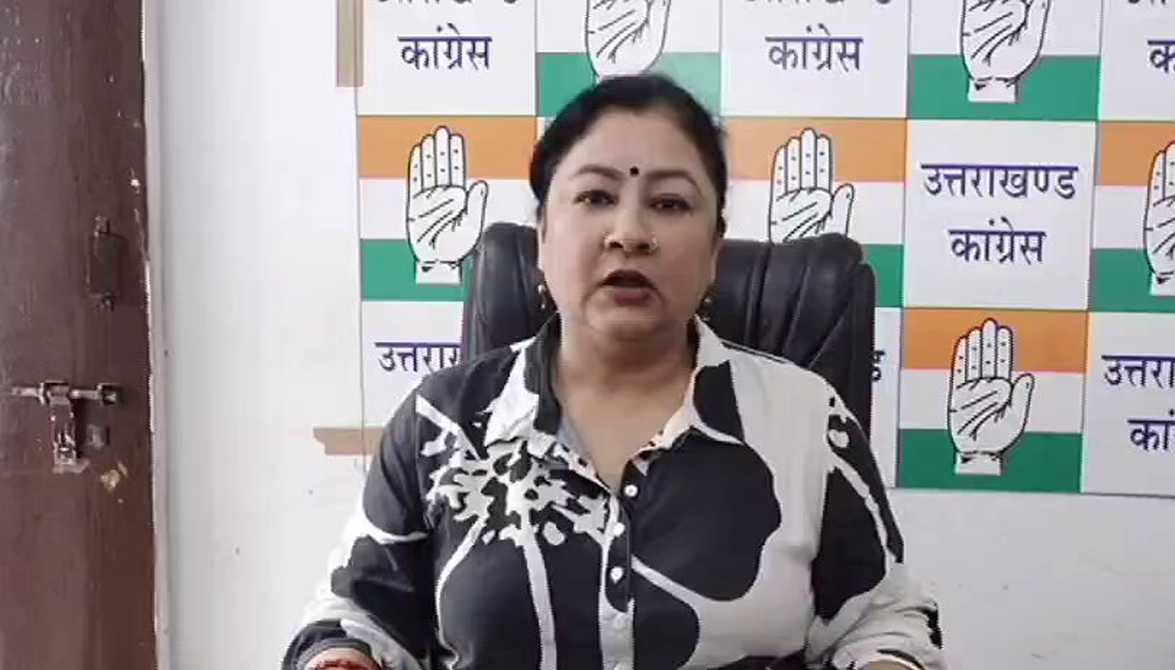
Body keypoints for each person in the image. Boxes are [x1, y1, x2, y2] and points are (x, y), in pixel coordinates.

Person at [284, 74, 945, 670]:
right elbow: (356, 615)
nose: (629, 232)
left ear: (715, 249)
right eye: (596, 196)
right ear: (543, 236)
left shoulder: (803, 420)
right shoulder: (443, 423)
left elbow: (883, 620)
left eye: (671, 204)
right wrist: (343, 657)